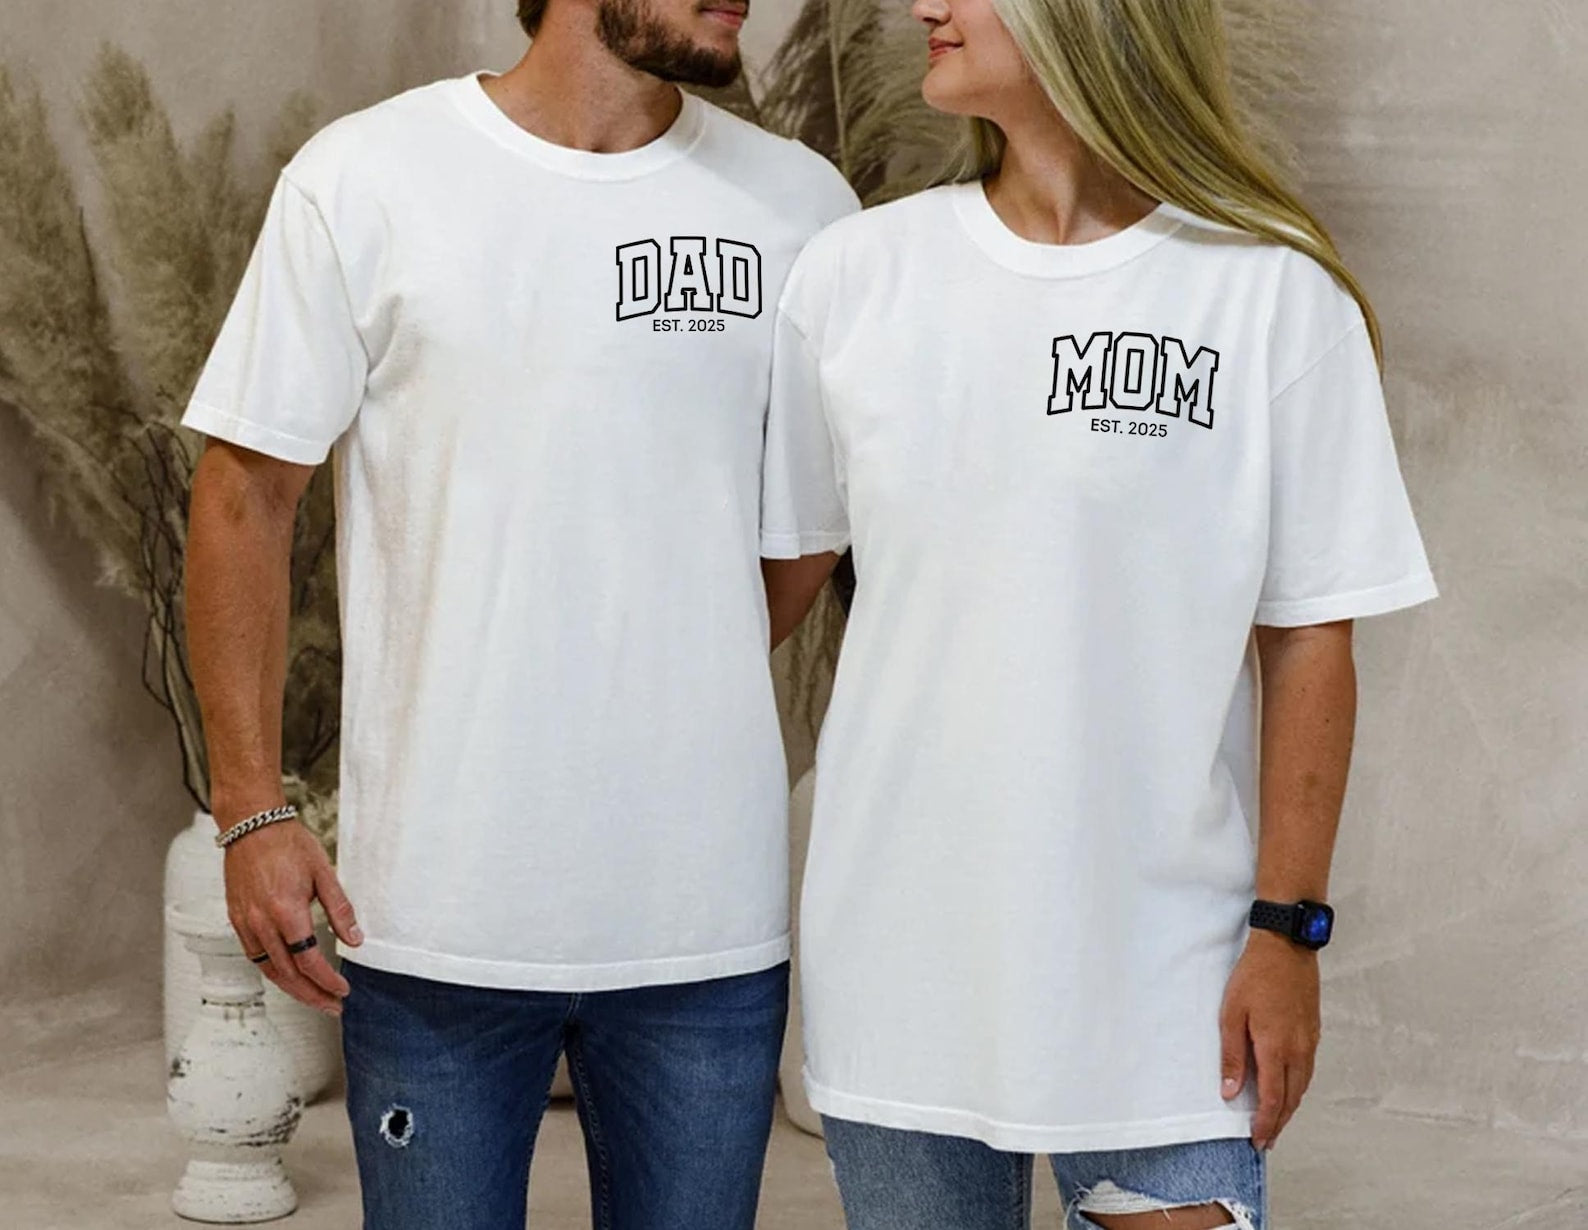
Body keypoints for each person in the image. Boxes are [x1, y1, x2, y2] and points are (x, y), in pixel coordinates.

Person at [759, 0, 1437, 1227]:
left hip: (1165, 967)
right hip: (903, 956)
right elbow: (769, 587)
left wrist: (1288, 933)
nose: (924, 7)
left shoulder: (1270, 294)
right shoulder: (856, 275)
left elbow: (1309, 640)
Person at [180, 0, 857, 1224]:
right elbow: (244, 493)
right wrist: (249, 808)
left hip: (702, 922)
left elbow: (808, 531)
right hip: (431, 916)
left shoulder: (801, 207)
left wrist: (665, 651)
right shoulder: (364, 178)